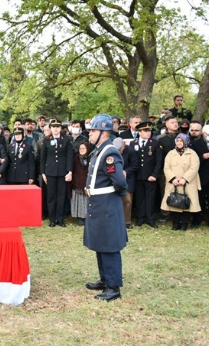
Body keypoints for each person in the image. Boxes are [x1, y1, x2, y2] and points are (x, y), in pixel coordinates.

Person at [83, 114, 128, 302]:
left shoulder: (109, 152)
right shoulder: (98, 151)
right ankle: (104, 279)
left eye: (93, 131)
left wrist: (112, 196)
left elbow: (119, 182)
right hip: (98, 203)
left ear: (103, 132)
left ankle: (113, 287)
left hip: (107, 203)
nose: (90, 134)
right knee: (101, 243)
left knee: (109, 246)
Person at [160, 134, 201, 230]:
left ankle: (184, 223)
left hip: (188, 183)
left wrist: (185, 179)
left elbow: (194, 168)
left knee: (186, 202)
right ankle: (175, 223)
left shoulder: (192, 153)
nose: (179, 143)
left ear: (186, 142)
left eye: (181, 141)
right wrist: (173, 179)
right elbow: (166, 168)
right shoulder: (170, 153)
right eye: (177, 140)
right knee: (174, 202)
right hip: (174, 183)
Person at [40, 120, 73, 227]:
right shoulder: (46, 140)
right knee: (51, 196)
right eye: (53, 127)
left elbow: (69, 156)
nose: (55, 129)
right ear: (50, 128)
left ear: (60, 128)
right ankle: (52, 219)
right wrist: (43, 173)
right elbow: (43, 158)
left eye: (58, 127)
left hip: (62, 172)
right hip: (50, 172)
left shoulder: (66, 139)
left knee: (61, 196)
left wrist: (70, 171)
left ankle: (60, 218)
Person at [130, 122, 162, 228]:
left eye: (149, 131)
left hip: (150, 176)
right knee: (139, 198)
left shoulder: (155, 143)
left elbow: (158, 161)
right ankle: (140, 218)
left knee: (150, 198)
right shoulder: (133, 143)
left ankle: (150, 218)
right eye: (145, 131)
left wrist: (154, 174)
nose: (148, 133)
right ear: (139, 132)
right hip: (138, 176)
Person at [113, 137, 139, 229]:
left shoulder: (130, 151)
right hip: (115, 179)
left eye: (121, 149)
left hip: (128, 179)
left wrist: (126, 171)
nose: (120, 151)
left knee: (127, 201)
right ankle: (115, 221)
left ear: (124, 146)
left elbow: (135, 165)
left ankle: (127, 222)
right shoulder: (112, 152)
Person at [68, 142, 93, 226]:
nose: (81, 150)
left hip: (88, 184)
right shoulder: (76, 158)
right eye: (80, 148)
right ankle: (80, 219)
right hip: (77, 184)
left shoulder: (92, 158)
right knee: (78, 201)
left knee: (87, 202)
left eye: (83, 148)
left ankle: (87, 218)